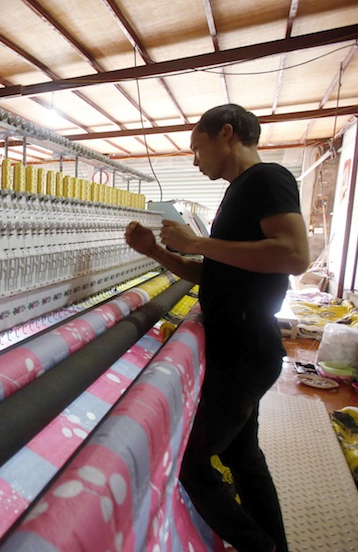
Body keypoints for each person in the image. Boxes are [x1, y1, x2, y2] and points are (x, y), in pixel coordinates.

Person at [124, 104, 309, 552]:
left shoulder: (267, 179)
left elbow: (295, 254)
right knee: (242, 456)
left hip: (247, 348)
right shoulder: (239, 191)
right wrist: (156, 252)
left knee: (191, 462)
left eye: (195, 147)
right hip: (240, 344)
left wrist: (198, 242)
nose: (193, 160)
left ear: (225, 133)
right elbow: (215, 272)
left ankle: (258, 547)